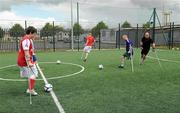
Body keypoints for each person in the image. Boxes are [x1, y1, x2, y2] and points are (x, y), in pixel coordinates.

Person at [17, 26, 38, 96]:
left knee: (31, 75)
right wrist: (29, 62)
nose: (35, 35)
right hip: (24, 62)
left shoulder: (28, 40)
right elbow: (26, 52)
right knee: (34, 74)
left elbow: (31, 51)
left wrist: (34, 59)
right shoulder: (26, 40)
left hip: (23, 61)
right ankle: (30, 90)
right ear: (31, 33)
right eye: (34, 34)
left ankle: (30, 88)